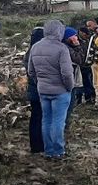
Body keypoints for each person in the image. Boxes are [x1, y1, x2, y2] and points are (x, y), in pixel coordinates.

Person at [28, 20, 74, 159]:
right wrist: (69, 87)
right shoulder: (61, 49)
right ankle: (58, 151)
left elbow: (31, 71)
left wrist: (39, 83)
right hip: (60, 91)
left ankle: (48, 151)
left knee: (46, 120)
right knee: (58, 121)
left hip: (43, 90)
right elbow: (67, 73)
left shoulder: (35, 47)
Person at [23, 26, 44, 153]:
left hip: (32, 90)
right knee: (40, 117)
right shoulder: (37, 51)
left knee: (35, 117)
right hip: (39, 89)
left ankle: (34, 146)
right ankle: (39, 146)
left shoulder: (29, 52)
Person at [63, 27, 84, 129]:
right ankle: (65, 124)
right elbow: (79, 59)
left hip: (68, 80)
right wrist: (78, 46)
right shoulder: (67, 48)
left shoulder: (66, 47)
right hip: (70, 80)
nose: (76, 38)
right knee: (69, 103)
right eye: (74, 36)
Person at [77, 27, 96, 104]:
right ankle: (78, 98)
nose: (86, 36)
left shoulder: (88, 40)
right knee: (78, 83)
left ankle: (88, 98)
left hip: (87, 65)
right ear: (81, 32)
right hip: (79, 65)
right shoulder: (75, 40)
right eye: (85, 35)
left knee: (87, 81)